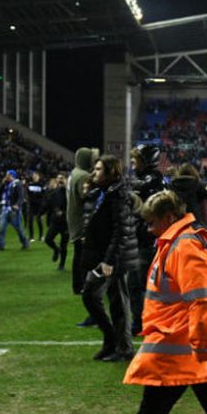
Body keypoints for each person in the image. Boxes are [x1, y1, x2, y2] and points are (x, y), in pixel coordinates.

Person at [122, 190, 207, 414]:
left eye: (152, 222)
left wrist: (200, 344)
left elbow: (201, 300)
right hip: (188, 347)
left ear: (167, 217)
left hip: (180, 348)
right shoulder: (180, 241)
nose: (149, 228)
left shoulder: (185, 245)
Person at [81, 155, 139, 362]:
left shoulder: (118, 196)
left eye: (98, 169)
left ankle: (121, 347)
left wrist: (109, 260)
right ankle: (113, 341)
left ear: (110, 173)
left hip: (114, 258)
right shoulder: (102, 193)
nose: (94, 172)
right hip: (103, 255)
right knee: (101, 297)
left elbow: (121, 231)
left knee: (111, 300)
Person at [129, 144, 165, 335]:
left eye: (137, 160)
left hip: (146, 241)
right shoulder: (146, 181)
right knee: (136, 284)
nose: (133, 164)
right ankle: (140, 321)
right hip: (140, 239)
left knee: (141, 284)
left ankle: (143, 321)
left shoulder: (153, 182)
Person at [67, 147, 100, 327]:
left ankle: (78, 286)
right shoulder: (82, 177)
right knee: (86, 261)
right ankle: (82, 287)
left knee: (79, 257)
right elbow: (88, 198)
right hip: (82, 224)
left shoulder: (74, 173)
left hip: (74, 221)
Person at [0, 169, 29, 251]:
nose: (6, 176)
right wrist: (3, 183)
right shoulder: (6, 184)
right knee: (2, 229)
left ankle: (25, 243)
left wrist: (17, 205)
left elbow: (21, 196)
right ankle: (1, 245)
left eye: (8, 175)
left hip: (14, 211)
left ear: (12, 175)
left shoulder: (17, 184)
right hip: (5, 209)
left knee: (18, 229)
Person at [44, 173, 69, 270]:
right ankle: (56, 249)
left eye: (62, 178)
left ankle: (62, 265)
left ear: (66, 180)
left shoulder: (69, 193)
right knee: (48, 239)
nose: (60, 180)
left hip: (66, 223)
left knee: (64, 244)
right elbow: (48, 204)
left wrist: (63, 212)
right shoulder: (54, 192)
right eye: (59, 178)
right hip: (55, 221)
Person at [26, 171, 45, 242]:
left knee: (39, 220)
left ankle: (41, 235)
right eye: (33, 175)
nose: (34, 177)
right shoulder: (30, 184)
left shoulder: (42, 185)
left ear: (39, 176)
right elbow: (28, 194)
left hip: (39, 205)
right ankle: (31, 236)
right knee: (30, 220)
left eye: (36, 175)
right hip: (32, 205)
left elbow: (44, 195)